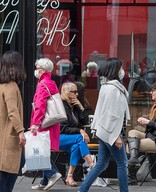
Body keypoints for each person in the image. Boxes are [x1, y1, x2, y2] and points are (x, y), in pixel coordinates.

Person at [79, 57, 130, 192]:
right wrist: (116, 136)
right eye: (120, 68)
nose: (122, 71)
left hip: (103, 130)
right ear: (115, 70)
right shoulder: (114, 89)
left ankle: (82, 189)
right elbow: (112, 115)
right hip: (111, 131)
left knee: (101, 164)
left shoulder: (106, 87)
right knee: (122, 164)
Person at [126, 80, 156, 185]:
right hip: (153, 137)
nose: (150, 92)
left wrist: (149, 122)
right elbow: (155, 124)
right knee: (133, 132)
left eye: (153, 90)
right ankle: (134, 162)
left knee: (131, 146)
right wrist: (147, 122)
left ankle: (131, 176)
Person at [30, 58, 62, 190]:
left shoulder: (42, 84)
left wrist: (36, 123)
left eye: (37, 68)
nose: (36, 70)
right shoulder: (51, 82)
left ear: (42, 70)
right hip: (51, 122)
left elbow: (40, 105)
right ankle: (44, 181)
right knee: (44, 151)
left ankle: (52, 174)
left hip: (43, 123)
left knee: (37, 152)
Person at [0, 51, 26, 192]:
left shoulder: (3, 85)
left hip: (3, 135)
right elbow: (12, 112)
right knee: (11, 167)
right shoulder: (11, 86)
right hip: (8, 137)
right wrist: (21, 131)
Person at [59, 82, 95, 187]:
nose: (77, 94)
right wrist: (80, 131)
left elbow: (84, 122)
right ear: (66, 92)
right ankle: (91, 164)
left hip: (71, 139)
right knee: (80, 138)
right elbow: (63, 128)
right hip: (58, 138)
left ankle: (69, 176)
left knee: (77, 146)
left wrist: (80, 107)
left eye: (77, 92)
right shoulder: (61, 106)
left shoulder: (74, 106)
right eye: (74, 92)